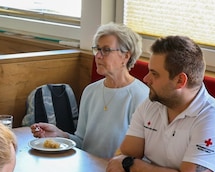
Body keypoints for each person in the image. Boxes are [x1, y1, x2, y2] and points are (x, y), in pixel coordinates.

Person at [104, 35, 215, 172]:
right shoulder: (151, 104)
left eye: (154, 74)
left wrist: (130, 164)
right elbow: (119, 160)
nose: (146, 79)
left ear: (180, 81)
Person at [30, 22, 149, 158]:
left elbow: (142, 156)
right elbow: (82, 142)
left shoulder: (141, 96)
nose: (98, 56)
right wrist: (59, 135)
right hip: (88, 168)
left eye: (106, 50)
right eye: (97, 49)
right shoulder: (90, 91)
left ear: (126, 56)